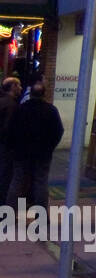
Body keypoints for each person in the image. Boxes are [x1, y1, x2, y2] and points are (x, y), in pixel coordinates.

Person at [5, 80, 63, 213]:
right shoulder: (51, 110)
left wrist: (13, 147)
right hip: (42, 153)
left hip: (21, 152)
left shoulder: (20, 109)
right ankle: (41, 215)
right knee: (40, 182)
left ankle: (8, 214)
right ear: (44, 94)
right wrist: (50, 146)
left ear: (30, 94)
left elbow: (10, 130)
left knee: (17, 182)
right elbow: (58, 131)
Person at [0, 77, 21, 204]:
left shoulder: (3, 102)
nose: (21, 88)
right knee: (5, 178)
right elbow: (8, 128)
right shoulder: (11, 105)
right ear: (13, 86)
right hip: (6, 147)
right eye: (18, 85)